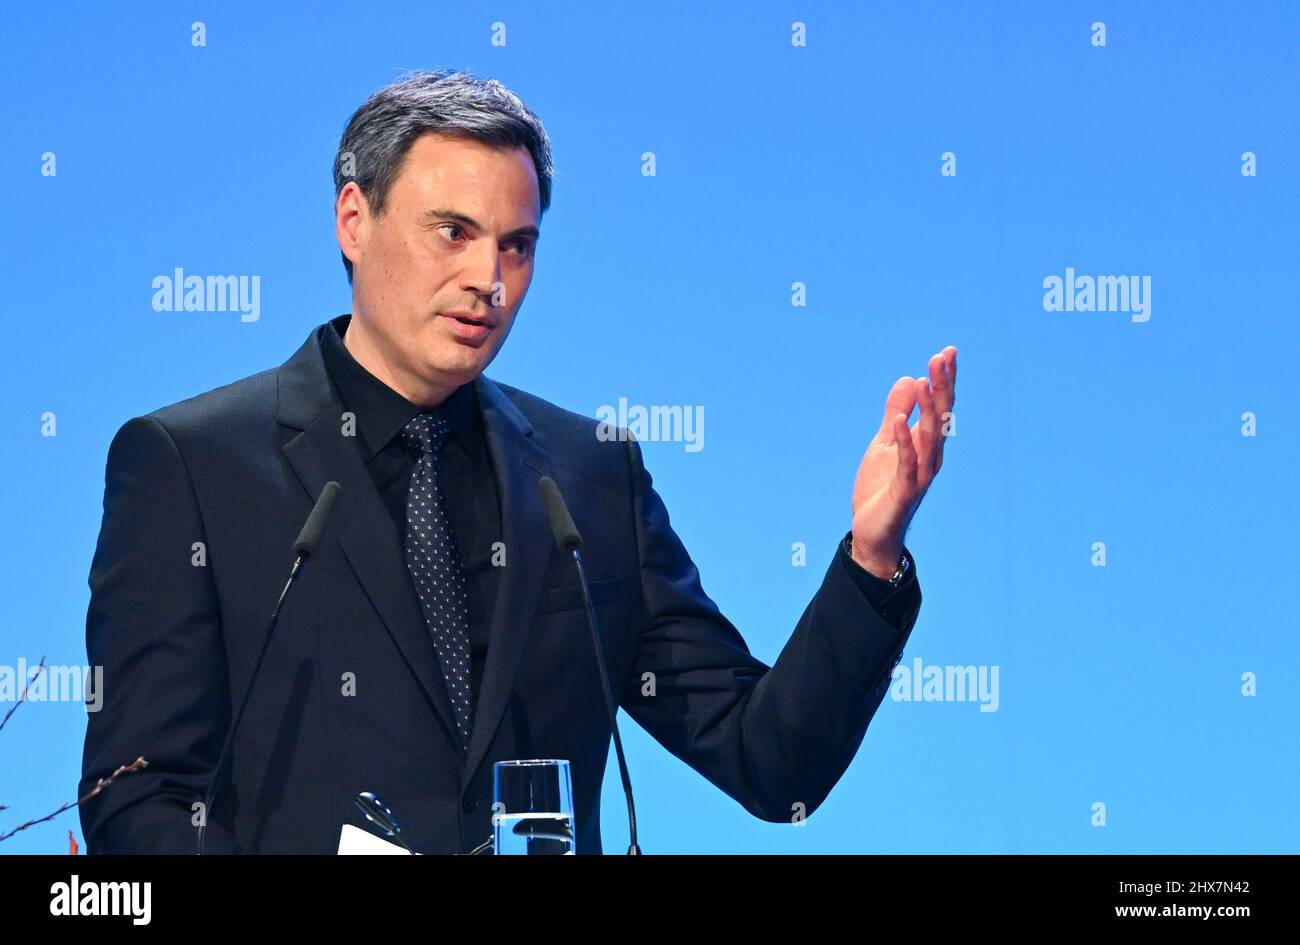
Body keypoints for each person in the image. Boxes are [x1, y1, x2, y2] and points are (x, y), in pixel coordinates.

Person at [79, 70, 957, 854]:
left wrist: (871, 556)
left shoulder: (588, 478)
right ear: (355, 219)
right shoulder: (193, 467)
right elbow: (137, 796)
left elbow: (772, 764)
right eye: (452, 232)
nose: (486, 279)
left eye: (516, 245)